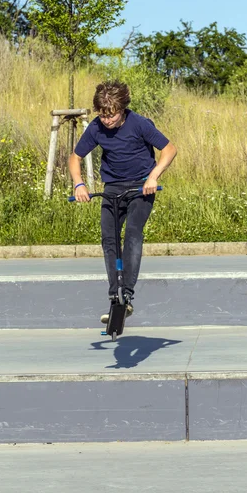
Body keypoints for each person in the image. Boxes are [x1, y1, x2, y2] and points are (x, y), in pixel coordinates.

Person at [68, 80, 177, 323]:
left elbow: (169, 149)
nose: (107, 120)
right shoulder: (96, 127)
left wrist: (153, 176)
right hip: (113, 187)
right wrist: (79, 184)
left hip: (141, 187)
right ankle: (114, 296)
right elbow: (75, 157)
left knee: (132, 234)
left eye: (112, 115)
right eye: (103, 115)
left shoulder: (139, 123)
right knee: (109, 239)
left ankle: (127, 294)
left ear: (122, 108)